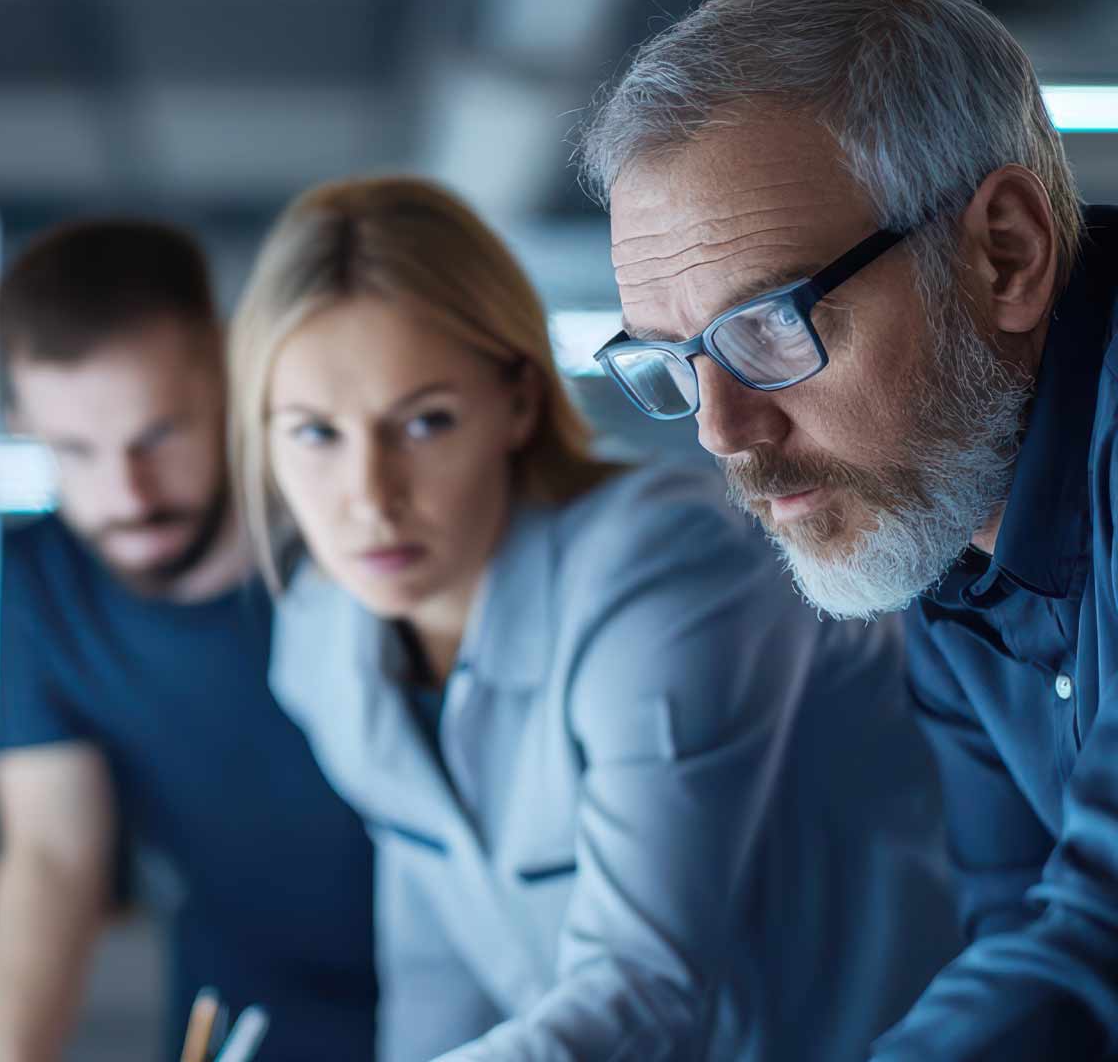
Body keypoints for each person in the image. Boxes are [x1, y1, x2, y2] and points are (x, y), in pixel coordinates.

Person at [226, 174, 958, 1062]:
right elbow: (437, 972)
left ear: (520, 404)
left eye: (424, 424)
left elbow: (645, 989)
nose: (369, 500)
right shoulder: (320, 637)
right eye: (313, 434)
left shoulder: (670, 566)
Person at [580, 0, 1118, 1054]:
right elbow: (1019, 923)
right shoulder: (948, 536)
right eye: (677, 363)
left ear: (1003, 254)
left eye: (773, 324)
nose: (722, 430)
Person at [0, 219, 379, 1062]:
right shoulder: (34, 587)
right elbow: (53, 852)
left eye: (157, 435)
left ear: (229, 374)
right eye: (73, 451)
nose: (126, 494)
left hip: (473, 982)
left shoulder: (364, 528)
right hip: (238, 1016)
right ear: (21, 419)